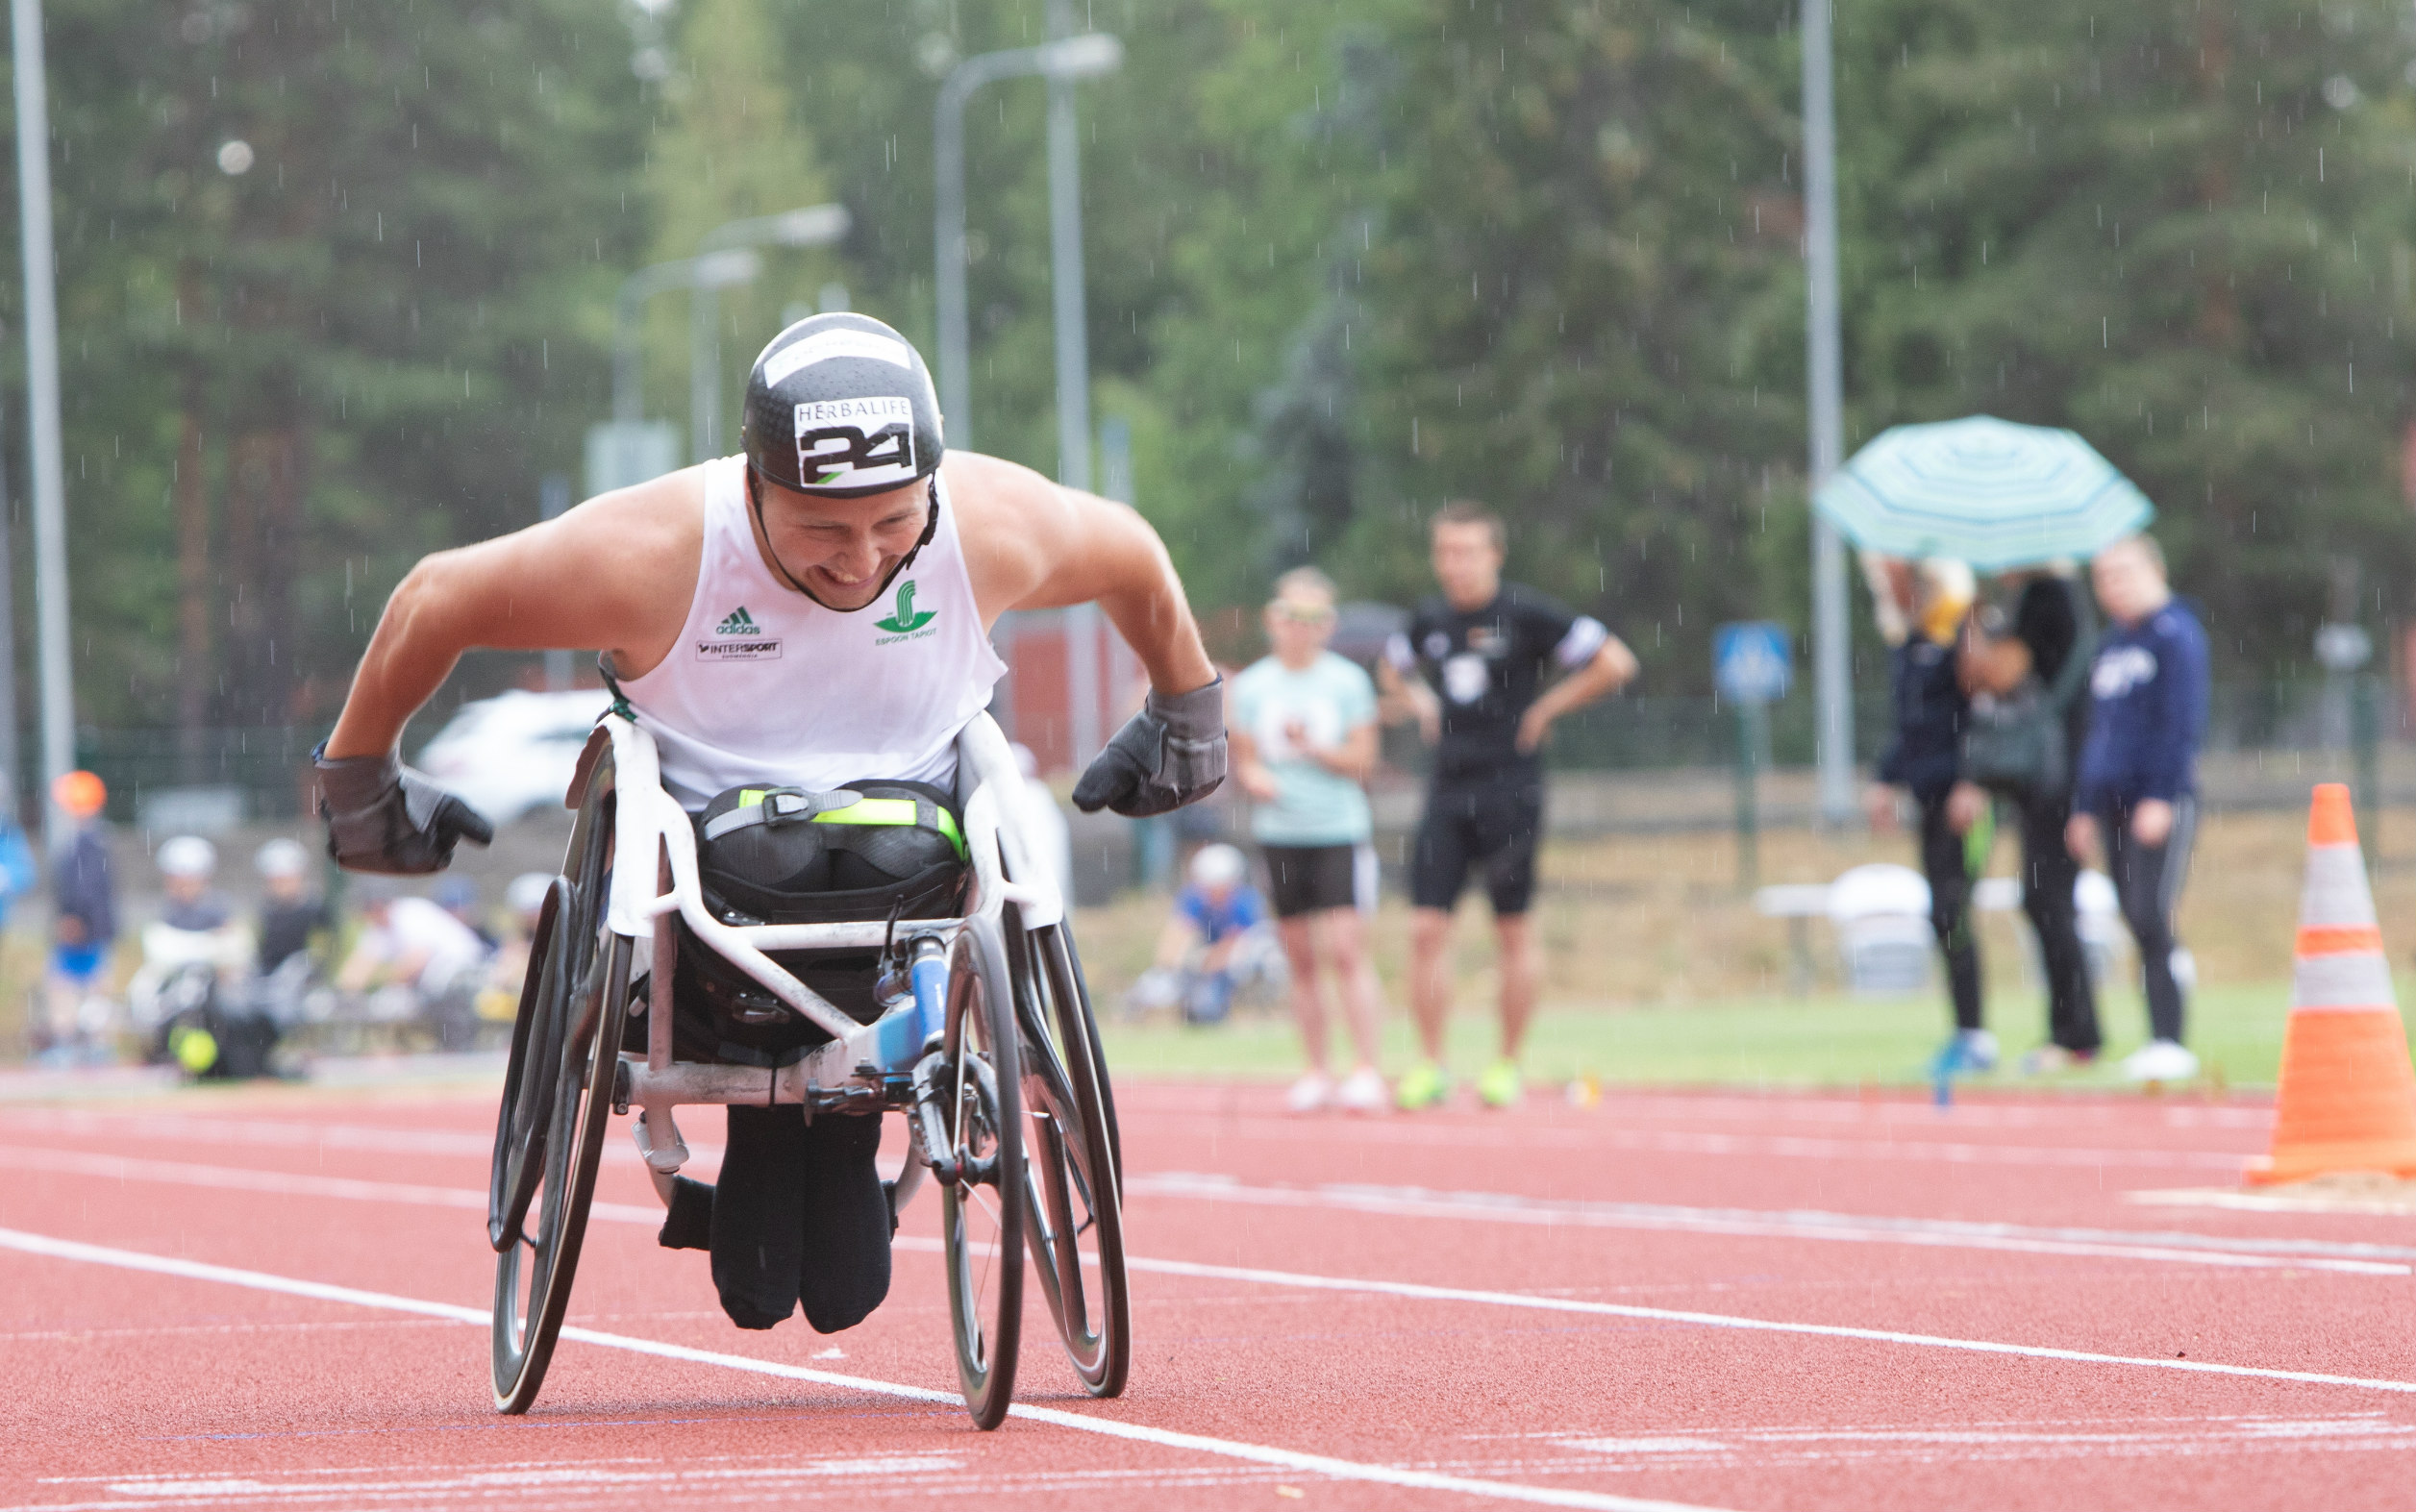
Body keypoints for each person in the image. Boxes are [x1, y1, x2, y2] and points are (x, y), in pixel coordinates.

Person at [313, 310, 1223, 1338]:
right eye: (822, 530)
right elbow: (437, 597)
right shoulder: (658, 550)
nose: (861, 561)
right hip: (711, 912)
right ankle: (779, 1110)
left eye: (893, 523)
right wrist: (361, 778)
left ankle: (829, 1119)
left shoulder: (988, 526)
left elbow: (1132, 556)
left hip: (913, 886)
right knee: (786, 1284)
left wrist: (1182, 714)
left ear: (932, 486)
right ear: (753, 484)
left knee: (834, 1291)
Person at [1377, 503, 1637, 1109]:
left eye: (1467, 552)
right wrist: (1417, 700)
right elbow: (1392, 666)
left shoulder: (1526, 614)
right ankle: (1431, 1065)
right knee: (1424, 929)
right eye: (1444, 552)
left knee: (1512, 929)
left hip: (1510, 790)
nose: (1454, 565)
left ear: (1494, 554)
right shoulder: (1430, 618)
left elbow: (1616, 662)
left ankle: (1506, 1064)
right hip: (1446, 789)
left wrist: (1546, 710)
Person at [1232, 567, 1388, 1114]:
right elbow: (1246, 758)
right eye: (1290, 617)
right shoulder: (1253, 686)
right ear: (1274, 620)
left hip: (1336, 829)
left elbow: (1363, 760)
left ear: (1328, 625)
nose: (1300, 628)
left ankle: (1366, 1068)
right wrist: (1254, 779)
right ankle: (1316, 1070)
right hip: (1280, 832)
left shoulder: (1347, 682)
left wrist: (1315, 748)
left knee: (1345, 950)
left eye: (1313, 618)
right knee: (1299, 956)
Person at [2067, 533, 2207, 1083]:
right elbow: (2099, 734)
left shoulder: (2175, 636)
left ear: (2154, 569)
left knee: (2152, 913)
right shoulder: (2110, 645)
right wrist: (2084, 806)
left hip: (2156, 800)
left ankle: (2170, 1037)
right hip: (2112, 803)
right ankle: (2157, 1036)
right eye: (2104, 576)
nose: (2113, 586)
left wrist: (2161, 795)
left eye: (2124, 573)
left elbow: (2181, 723)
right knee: (2133, 915)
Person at [1955, 564, 2102, 1073]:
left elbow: (1995, 673)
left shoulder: (2050, 595)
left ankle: (2077, 1033)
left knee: (2048, 900)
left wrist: (1969, 616)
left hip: (2058, 776)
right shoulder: (2033, 599)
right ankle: (2073, 1030)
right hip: (2045, 778)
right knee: (2043, 900)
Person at [1865, 559, 1992, 1072]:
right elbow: (1912, 726)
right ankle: (1965, 1031)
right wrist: (1884, 778)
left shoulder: (1964, 633)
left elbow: (1983, 714)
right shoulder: (1909, 645)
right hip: (1928, 799)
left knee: (1955, 909)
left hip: (1965, 800)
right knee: (1940, 914)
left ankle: (1977, 1035)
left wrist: (1974, 779)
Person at [334, 878, 494, 1043]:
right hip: (436, 982)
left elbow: (417, 960)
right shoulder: (378, 928)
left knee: (394, 1002)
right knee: (394, 1003)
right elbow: (360, 964)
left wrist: (383, 985)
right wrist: (342, 994)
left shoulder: (409, 913)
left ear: (375, 905)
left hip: (463, 971)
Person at [1135, 843, 1271, 1025]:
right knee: (1165, 982)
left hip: (1243, 963)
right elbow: (1176, 935)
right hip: (1211, 958)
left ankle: (1248, 1010)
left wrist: (1199, 966)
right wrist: (1168, 969)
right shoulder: (1194, 897)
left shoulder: (1245, 903)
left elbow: (1233, 947)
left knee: (1225, 979)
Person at [37, 770, 117, 1067]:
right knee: (87, 988)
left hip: (84, 931)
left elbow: (85, 888)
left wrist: (75, 919)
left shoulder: (86, 843)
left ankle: (82, 1045)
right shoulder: (94, 840)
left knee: (69, 989)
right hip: (92, 928)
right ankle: (92, 1045)